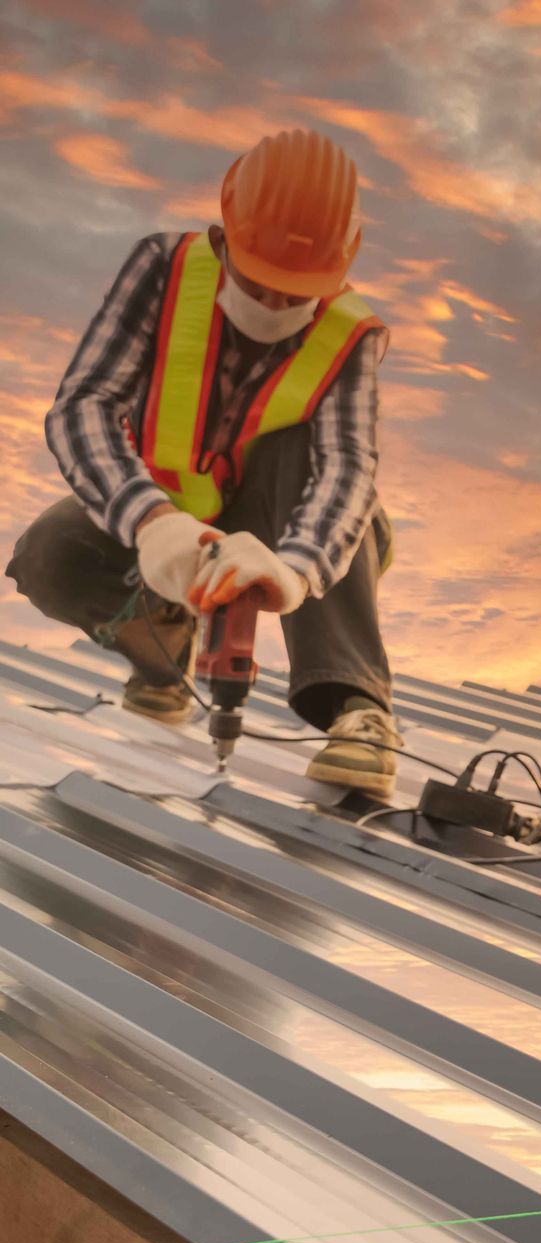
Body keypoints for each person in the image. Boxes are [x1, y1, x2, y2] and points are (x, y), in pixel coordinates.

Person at [7, 128, 404, 795]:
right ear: (226, 228)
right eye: (260, 281)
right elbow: (84, 405)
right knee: (51, 554)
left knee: (307, 456)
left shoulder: (352, 333)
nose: (274, 305)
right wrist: (153, 521)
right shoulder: (162, 269)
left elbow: (347, 470)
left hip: (289, 521)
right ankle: (164, 658)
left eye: (295, 292)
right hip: (168, 508)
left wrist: (293, 570)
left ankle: (358, 708)